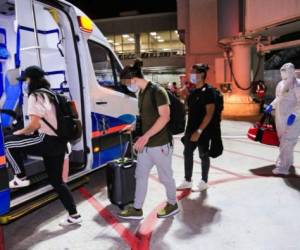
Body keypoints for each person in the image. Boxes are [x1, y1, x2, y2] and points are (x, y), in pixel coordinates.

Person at [4, 66, 82, 226]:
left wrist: (20, 132)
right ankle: (74, 215)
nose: (24, 83)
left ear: (31, 80)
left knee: (8, 143)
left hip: (45, 140)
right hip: (59, 143)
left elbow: (34, 125)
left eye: (25, 80)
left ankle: (20, 177)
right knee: (57, 182)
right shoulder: (50, 94)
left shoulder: (35, 96)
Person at [118, 59, 179, 220]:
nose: (127, 87)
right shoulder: (142, 93)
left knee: (165, 177)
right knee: (140, 176)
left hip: (160, 145)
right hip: (145, 146)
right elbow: (146, 116)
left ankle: (173, 203)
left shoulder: (157, 91)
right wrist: (133, 125)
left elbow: (165, 117)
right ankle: (137, 209)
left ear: (133, 79)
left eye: (126, 83)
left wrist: (145, 136)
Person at [177, 64, 216, 192]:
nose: (191, 75)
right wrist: (184, 98)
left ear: (201, 75)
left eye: (193, 73)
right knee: (187, 153)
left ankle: (204, 181)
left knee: (203, 155)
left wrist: (199, 131)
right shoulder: (193, 92)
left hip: (203, 130)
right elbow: (189, 110)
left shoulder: (209, 91)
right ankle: (187, 181)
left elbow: (210, 113)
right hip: (190, 129)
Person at [264, 62, 300, 175]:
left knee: (287, 141)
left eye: (286, 71)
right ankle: (288, 161)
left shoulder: (297, 84)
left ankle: (283, 167)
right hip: (280, 116)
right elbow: (278, 97)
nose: (284, 73)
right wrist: (271, 105)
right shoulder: (280, 84)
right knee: (283, 141)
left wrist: (294, 114)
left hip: (292, 118)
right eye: (282, 71)